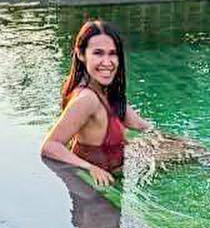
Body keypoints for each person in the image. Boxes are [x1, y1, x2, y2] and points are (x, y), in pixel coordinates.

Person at [40, 19, 156, 189]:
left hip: (111, 182)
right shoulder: (87, 99)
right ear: (81, 54)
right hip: (94, 190)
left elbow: (142, 126)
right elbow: (49, 146)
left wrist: (184, 145)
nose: (107, 62)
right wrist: (90, 168)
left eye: (112, 53)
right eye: (98, 53)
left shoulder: (108, 94)